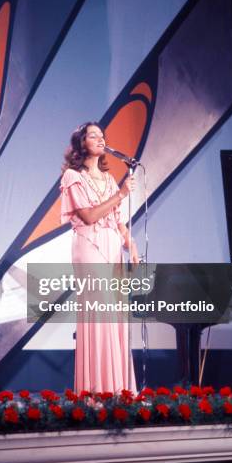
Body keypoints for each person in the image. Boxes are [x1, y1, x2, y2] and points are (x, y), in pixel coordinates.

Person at [60, 121, 138, 393]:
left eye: (102, 135)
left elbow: (118, 221)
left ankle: (118, 389)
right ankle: (98, 390)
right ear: (82, 143)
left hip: (112, 249)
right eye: (93, 135)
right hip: (90, 248)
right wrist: (121, 194)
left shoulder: (106, 178)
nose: (100, 139)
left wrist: (133, 247)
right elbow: (89, 216)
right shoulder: (72, 176)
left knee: (116, 317)